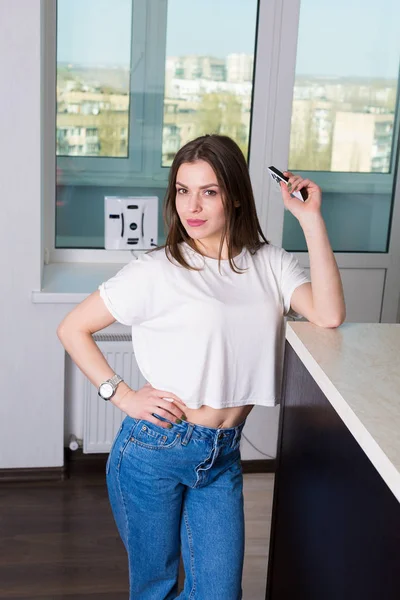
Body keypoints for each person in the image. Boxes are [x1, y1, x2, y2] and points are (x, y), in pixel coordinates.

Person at [57, 134, 345, 599]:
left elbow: (329, 314)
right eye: (183, 190)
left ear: (232, 195)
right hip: (155, 449)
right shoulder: (158, 269)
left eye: (208, 191)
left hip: (223, 455)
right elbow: (72, 328)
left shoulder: (268, 263)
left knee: (218, 593)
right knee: (156, 588)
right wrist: (122, 394)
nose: (192, 205)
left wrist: (310, 221)